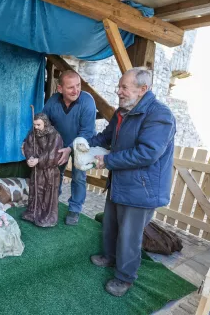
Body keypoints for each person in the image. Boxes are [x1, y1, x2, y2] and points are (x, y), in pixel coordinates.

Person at [88, 67, 176, 297]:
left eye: (124, 87)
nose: (119, 91)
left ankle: (125, 278)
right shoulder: (123, 111)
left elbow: (147, 153)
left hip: (142, 188)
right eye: (119, 86)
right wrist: (81, 144)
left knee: (129, 235)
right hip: (120, 182)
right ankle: (109, 257)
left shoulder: (160, 115)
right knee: (111, 224)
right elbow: (105, 137)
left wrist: (108, 160)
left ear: (143, 89)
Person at [43, 70, 96, 226]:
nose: (76, 90)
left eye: (78, 85)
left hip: (82, 145)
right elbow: (44, 122)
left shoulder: (87, 101)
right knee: (56, 174)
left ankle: (75, 208)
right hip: (60, 145)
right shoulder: (53, 102)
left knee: (79, 176)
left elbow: (86, 132)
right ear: (60, 89)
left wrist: (69, 150)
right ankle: (53, 202)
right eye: (70, 87)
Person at [21, 113, 63, 227]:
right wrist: (30, 158)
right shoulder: (33, 134)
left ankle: (47, 216)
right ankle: (33, 212)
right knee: (35, 190)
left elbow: (53, 153)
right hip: (37, 171)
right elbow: (28, 147)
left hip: (49, 171)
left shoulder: (55, 135)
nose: (36, 127)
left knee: (47, 193)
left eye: (38, 125)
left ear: (45, 123)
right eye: (34, 125)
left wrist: (39, 160)